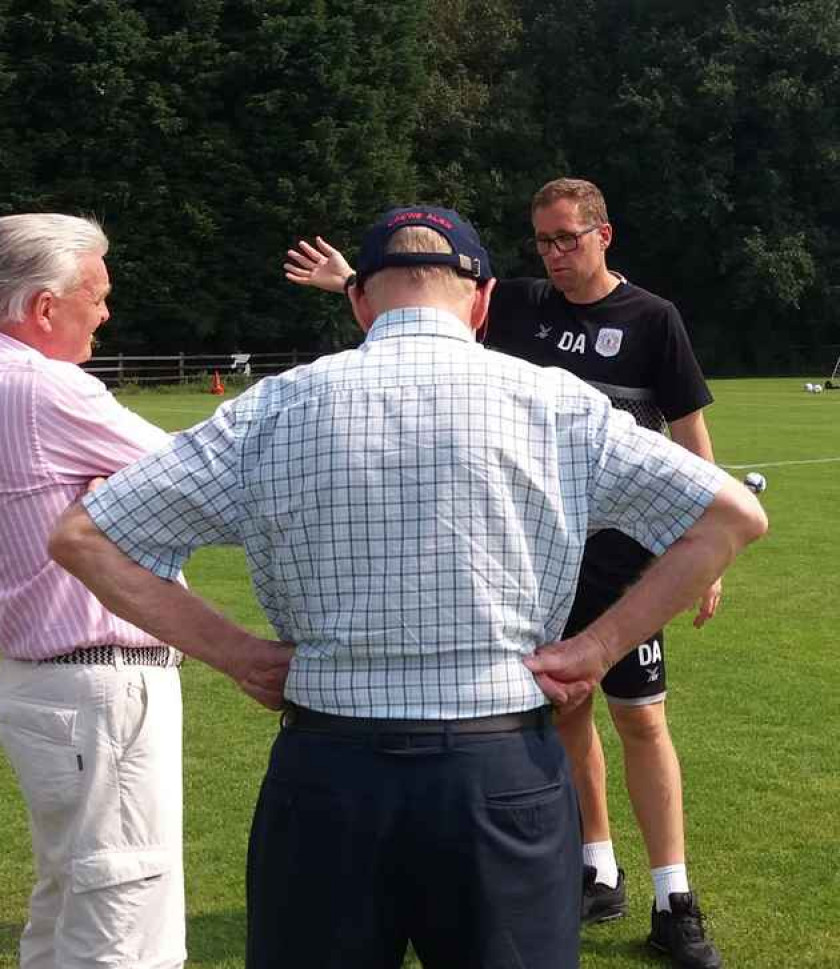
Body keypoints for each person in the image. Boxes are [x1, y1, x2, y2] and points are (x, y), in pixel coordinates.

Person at [48, 206, 766, 969]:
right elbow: (732, 515)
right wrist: (596, 649)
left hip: (328, 769)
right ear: (483, 300)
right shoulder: (557, 404)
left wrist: (239, 654)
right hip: (501, 772)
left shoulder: (272, 408)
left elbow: (86, 537)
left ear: (358, 300)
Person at [282, 179, 728, 969]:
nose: (555, 255)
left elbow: (691, 434)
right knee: (563, 715)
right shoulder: (517, 305)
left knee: (642, 720)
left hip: (624, 569)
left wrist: (702, 550)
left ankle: (674, 895)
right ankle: (597, 867)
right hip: (531, 557)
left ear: (604, 234)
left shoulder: (652, 319)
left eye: (568, 239)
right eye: (543, 241)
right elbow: (428, 313)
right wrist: (353, 280)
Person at [0, 213, 291, 969]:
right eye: (95, 293)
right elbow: (207, 482)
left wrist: (118, 492)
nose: (106, 310)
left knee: (68, 908)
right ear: (44, 308)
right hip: (98, 692)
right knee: (124, 930)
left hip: (48, 690)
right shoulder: (42, 389)